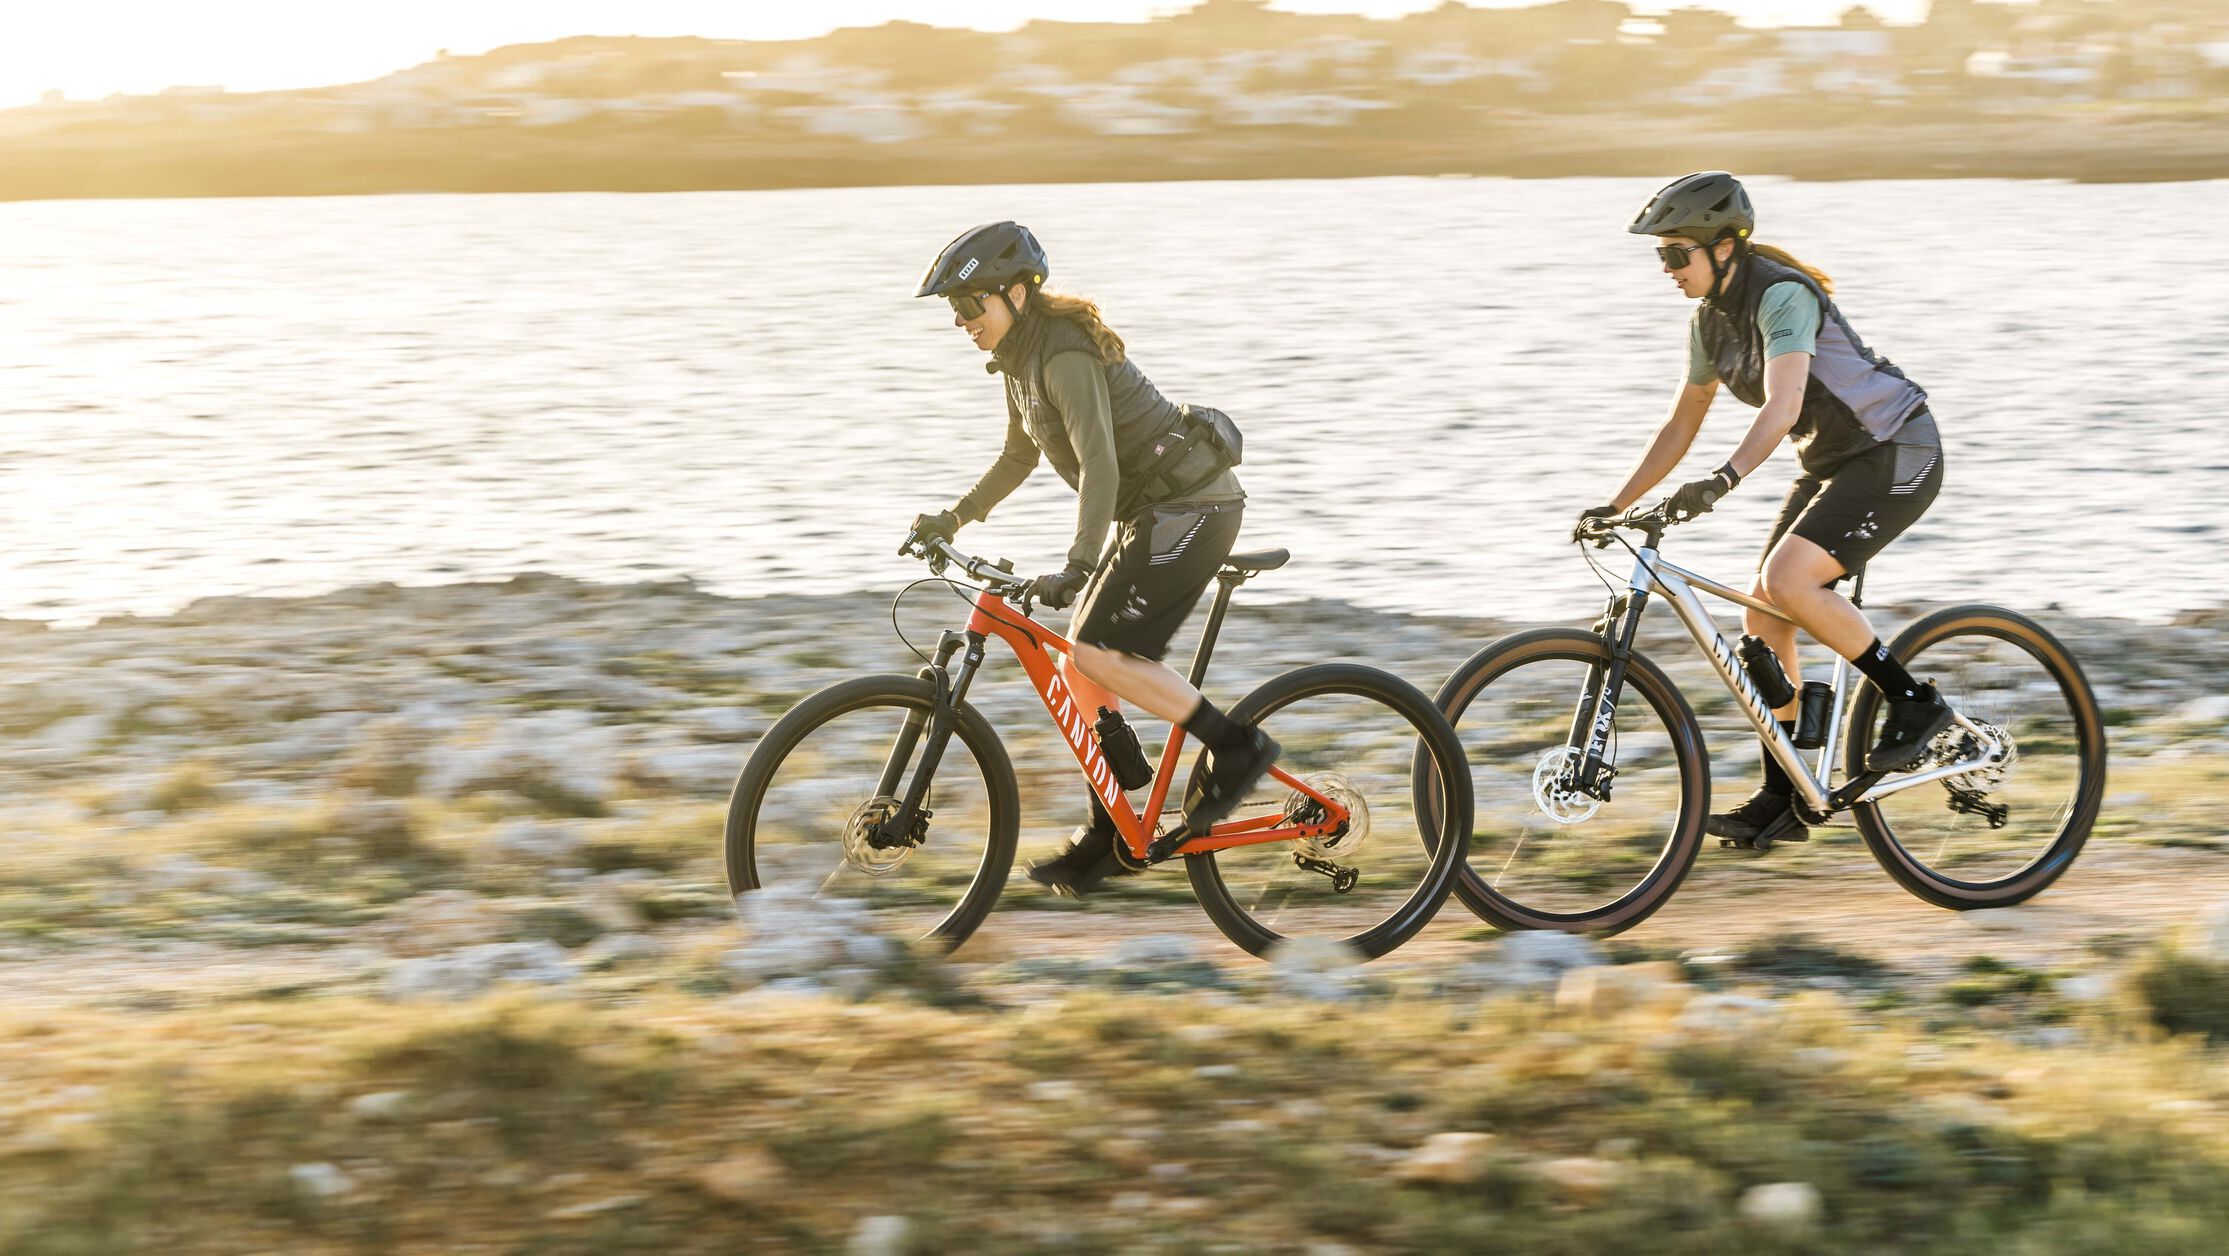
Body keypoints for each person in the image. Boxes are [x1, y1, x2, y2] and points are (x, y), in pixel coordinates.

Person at [908, 221, 1278, 894]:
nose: (960, 322)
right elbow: (1018, 457)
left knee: (1100, 652)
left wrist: (1079, 564)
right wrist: (952, 516)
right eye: (953, 312)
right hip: (1154, 513)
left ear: (1016, 294)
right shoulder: (1020, 363)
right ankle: (1110, 830)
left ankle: (1238, 747)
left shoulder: (1062, 357)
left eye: (968, 306)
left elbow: (1099, 464)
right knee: (1076, 655)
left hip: (1194, 506)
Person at [1584, 172, 1951, 849]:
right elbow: (1679, 425)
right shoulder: (1707, 324)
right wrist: (1613, 505)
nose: (1665, 269)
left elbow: (1782, 407)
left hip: (1896, 449)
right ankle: (1784, 797)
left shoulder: (1780, 295)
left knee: (1788, 582)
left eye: (1674, 254)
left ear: (1723, 248)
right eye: (1659, 256)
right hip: (1832, 465)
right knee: (1762, 615)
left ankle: (1915, 704)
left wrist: (1721, 480)